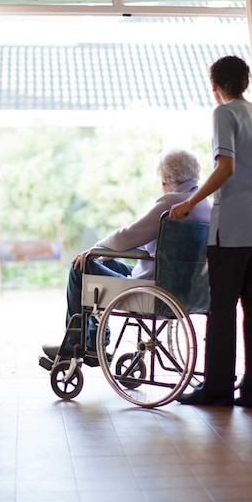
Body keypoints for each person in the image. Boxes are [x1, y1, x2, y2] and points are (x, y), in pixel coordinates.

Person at [170, 55, 252, 409]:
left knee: (221, 309)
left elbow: (226, 166)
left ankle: (217, 389)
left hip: (232, 230)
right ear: (245, 82)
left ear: (214, 85)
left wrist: (191, 203)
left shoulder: (224, 113)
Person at [42, 148, 212, 361]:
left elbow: (130, 235)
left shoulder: (171, 203)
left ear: (166, 179)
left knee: (82, 266)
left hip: (153, 291)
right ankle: (93, 340)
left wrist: (97, 249)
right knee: (107, 265)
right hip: (185, 290)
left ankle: (75, 344)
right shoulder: (206, 206)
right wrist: (107, 255)